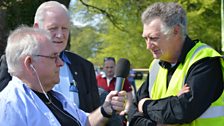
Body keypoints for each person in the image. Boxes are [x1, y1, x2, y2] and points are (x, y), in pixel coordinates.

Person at [0, 26, 127, 126]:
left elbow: (85, 122)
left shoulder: (53, 96)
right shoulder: (9, 106)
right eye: (53, 57)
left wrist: (105, 109)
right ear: (29, 63)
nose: (60, 63)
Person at [128, 2, 224, 126]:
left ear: (176, 31)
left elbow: (183, 110)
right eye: (145, 38)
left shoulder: (206, 61)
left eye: (153, 38)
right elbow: (132, 112)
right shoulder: (155, 66)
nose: (148, 46)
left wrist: (145, 105)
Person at [0, 1, 100, 113]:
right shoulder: (14, 61)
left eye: (64, 28)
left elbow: (94, 112)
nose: (60, 35)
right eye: (53, 28)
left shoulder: (84, 67)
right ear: (37, 28)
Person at [96, 57, 133, 126]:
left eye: (111, 67)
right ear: (103, 67)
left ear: (115, 67)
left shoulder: (123, 80)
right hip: (102, 116)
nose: (109, 70)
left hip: (118, 116)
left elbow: (129, 96)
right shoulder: (97, 79)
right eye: (107, 67)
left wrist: (126, 110)